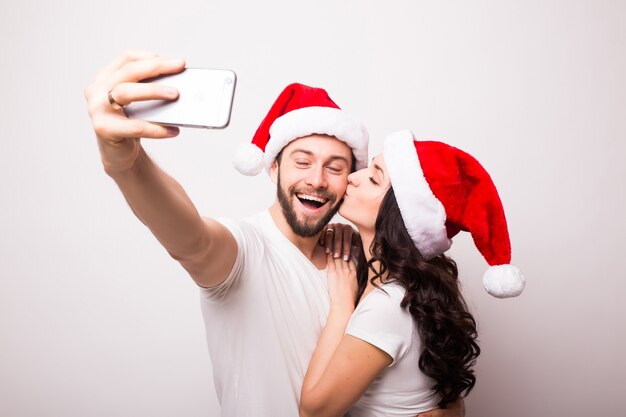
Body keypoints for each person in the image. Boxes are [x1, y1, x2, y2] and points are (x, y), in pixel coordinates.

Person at [84, 51, 467, 417]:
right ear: (273, 168)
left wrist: (447, 404)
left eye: (335, 168)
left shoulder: (357, 255)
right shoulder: (244, 249)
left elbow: (409, 354)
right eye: (302, 161)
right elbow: (192, 240)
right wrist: (128, 163)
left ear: (350, 179)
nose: (316, 180)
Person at [299, 130, 525, 417]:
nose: (353, 177)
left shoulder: (388, 305)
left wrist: (342, 307)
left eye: (373, 178)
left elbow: (313, 412)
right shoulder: (400, 289)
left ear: (400, 213)